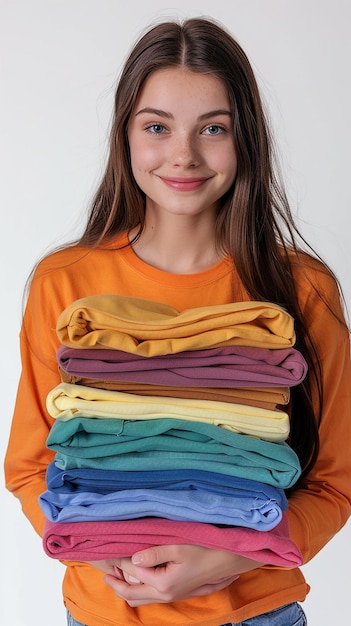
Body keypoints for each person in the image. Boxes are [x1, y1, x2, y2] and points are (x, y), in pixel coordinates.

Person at [4, 15, 351, 626]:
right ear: (126, 137)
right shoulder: (66, 284)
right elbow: (32, 466)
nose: (183, 154)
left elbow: (333, 484)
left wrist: (233, 554)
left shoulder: (305, 292)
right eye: (157, 127)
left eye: (212, 128)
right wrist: (94, 549)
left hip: (256, 615)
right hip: (100, 613)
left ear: (246, 138)